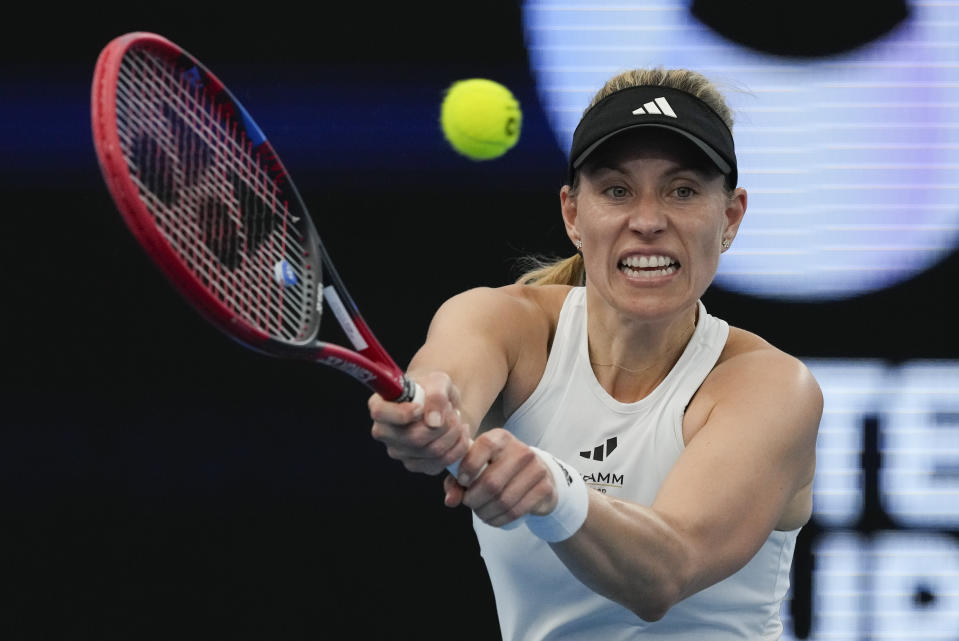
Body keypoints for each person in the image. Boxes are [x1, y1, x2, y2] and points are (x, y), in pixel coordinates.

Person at [368, 67, 822, 640]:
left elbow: (665, 571)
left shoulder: (772, 387)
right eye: (616, 190)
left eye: (682, 191)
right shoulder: (504, 322)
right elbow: (447, 380)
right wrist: (430, 415)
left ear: (729, 217)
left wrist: (554, 489)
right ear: (573, 215)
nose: (649, 221)